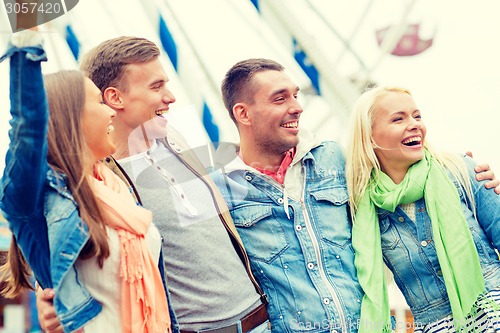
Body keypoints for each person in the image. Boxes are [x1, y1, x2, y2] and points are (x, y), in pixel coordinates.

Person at [211, 58, 500, 333]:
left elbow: (394, 162)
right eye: (280, 98)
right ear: (242, 113)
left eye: (296, 95)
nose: (297, 107)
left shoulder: (333, 160)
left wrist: (466, 168)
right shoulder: (215, 188)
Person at [37, 36, 270, 333]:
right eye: (156, 86)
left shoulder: (173, 140)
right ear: (115, 98)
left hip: (261, 321)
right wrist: (47, 297)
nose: (170, 97)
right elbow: (49, 243)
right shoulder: (97, 181)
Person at [0, 29, 174, 332]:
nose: (110, 112)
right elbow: (27, 127)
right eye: (99, 103)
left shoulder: (115, 188)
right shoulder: (41, 199)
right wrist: (25, 42)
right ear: (72, 116)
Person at [346, 85, 500, 333]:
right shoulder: (361, 209)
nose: (415, 124)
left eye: (417, 116)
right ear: (369, 137)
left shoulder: (461, 170)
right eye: (399, 118)